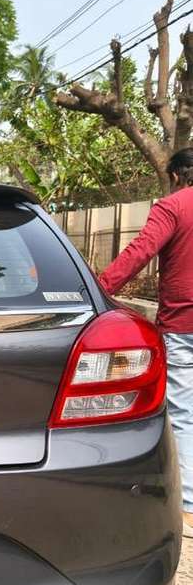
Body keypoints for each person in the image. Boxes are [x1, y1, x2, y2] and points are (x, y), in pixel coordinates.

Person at [99, 147, 193, 537]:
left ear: (175, 176)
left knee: (185, 412)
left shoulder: (173, 207)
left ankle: (188, 505)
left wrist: (99, 290)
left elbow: (140, 253)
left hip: (185, 323)